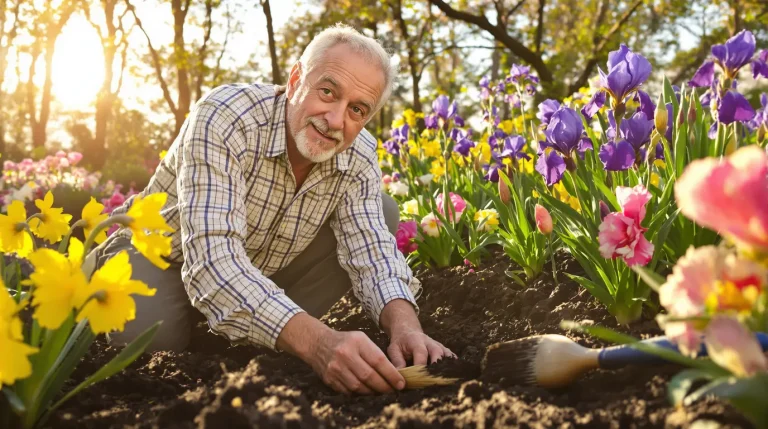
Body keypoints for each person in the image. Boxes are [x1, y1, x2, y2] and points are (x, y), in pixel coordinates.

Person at [90, 24, 454, 395]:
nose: (335, 121)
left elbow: (372, 252)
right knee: (152, 352)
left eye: (357, 110)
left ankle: (249, 335)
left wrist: (406, 326)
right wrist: (318, 343)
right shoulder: (226, 117)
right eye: (328, 92)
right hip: (164, 257)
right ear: (296, 79)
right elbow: (212, 263)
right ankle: (96, 274)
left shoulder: (357, 155)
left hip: (258, 269)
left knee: (384, 210)